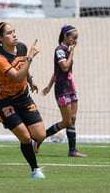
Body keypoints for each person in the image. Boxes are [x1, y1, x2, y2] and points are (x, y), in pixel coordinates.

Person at [0, 22, 46, 179]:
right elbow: (18, 75)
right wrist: (30, 57)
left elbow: (24, 70)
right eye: (8, 33)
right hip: (4, 101)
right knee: (25, 137)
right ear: (0, 38)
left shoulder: (22, 47)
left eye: (14, 31)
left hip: (23, 98)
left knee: (40, 135)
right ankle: (35, 169)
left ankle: (30, 135)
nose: (14, 34)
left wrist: (31, 80)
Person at [34, 25, 87, 157]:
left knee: (73, 119)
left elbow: (56, 72)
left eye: (77, 38)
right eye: (73, 38)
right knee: (67, 121)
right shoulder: (60, 50)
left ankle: (72, 150)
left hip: (70, 87)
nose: (75, 41)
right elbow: (64, 67)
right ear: (66, 37)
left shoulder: (67, 50)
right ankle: (40, 138)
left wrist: (48, 85)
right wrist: (72, 53)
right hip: (62, 88)